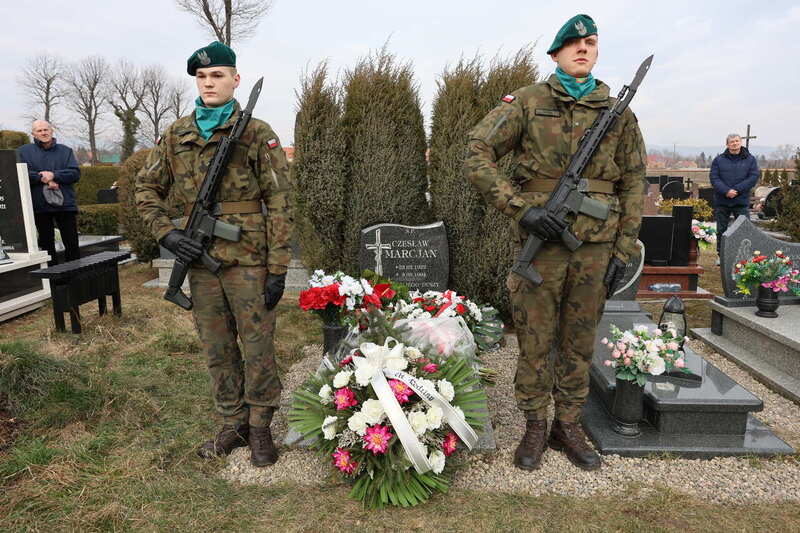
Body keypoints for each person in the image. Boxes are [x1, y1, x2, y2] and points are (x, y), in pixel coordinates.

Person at [465, 14, 646, 472]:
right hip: (541, 245)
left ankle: (568, 425)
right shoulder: (528, 101)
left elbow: (633, 181)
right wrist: (521, 209)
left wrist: (624, 248)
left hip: (597, 246)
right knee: (534, 338)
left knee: (580, 339)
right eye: (573, 43)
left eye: (590, 43)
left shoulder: (618, 113)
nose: (582, 49)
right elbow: (475, 152)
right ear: (555, 53)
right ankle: (534, 425)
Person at [135, 41, 293, 467]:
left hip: (248, 259)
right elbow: (146, 189)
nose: (209, 82)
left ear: (235, 79)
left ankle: (260, 426)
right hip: (199, 260)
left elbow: (281, 200)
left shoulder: (257, 132)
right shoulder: (176, 134)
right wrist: (167, 234)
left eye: (217, 75)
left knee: (258, 345)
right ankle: (233, 423)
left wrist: (278, 267)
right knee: (217, 347)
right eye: (202, 77)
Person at [16, 120, 81, 264]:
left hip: (65, 205)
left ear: (52, 131)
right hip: (40, 206)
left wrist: (54, 175)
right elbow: (21, 173)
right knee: (46, 244)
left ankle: (75, 277)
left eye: (46, 129)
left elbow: (75, 173)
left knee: (71, 242)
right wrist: (42, 178)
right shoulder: (23, 152)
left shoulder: (66, 151)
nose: (43, 133)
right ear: (33, 134)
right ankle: (53, 281)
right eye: (39, 131)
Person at [710, 134, 758, 261]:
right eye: (732, 142)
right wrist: (726, 191)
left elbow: (753, 177)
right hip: (722, 201)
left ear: (740, 142)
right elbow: (714, 178)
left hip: (741, 201)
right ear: (727, 144)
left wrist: (736, 190)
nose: (735, 143)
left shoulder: (750, 159)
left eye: (737, 141)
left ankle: (743, 256)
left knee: (744, 230)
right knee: (721, 230)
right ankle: (722, 256)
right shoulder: (719, 160)